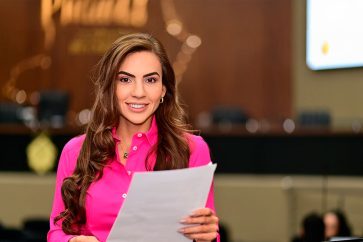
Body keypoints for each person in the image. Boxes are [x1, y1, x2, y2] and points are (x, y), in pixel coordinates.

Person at [47, 33, 219, 242]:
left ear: (163, 89)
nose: (139, 92)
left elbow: (205, 233)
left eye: (150, 80)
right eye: (125, 79)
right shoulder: (76, 151)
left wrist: (207, 236)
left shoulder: (192, 149)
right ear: (110, 87)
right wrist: (72, 241)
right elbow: (57, 231)